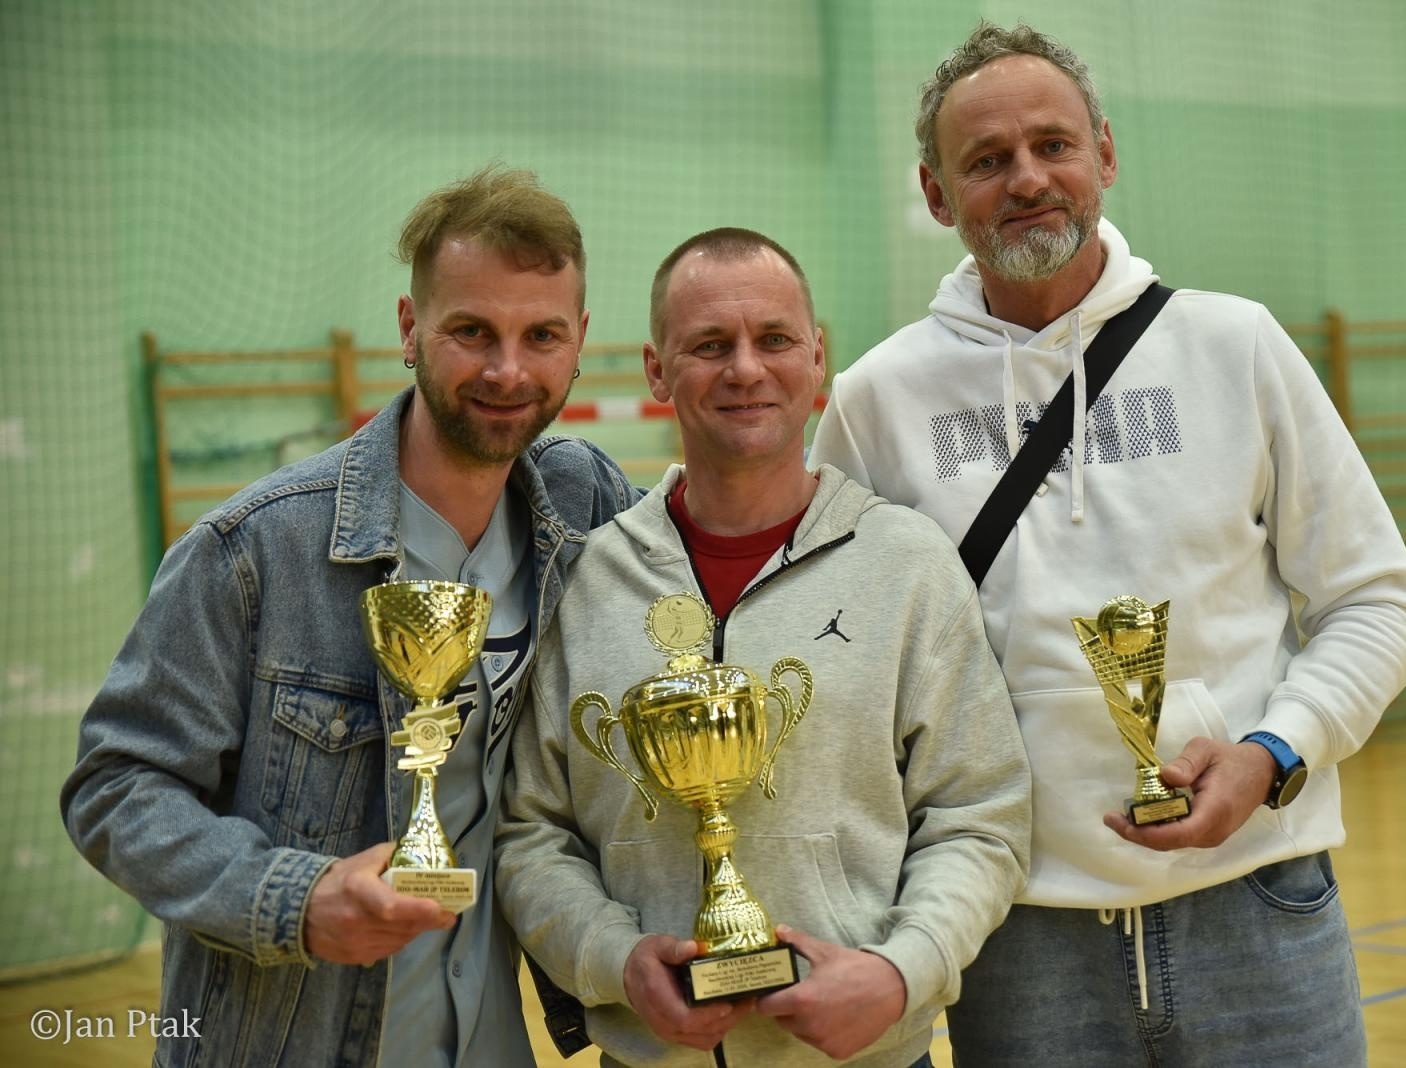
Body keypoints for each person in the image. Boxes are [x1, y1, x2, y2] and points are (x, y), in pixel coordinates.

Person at [808, 22, 1406, 1066]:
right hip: (1015, 931)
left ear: (1104, 153)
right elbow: (851, 663)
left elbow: (1380, 602)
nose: (1026, 179)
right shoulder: (874, 402)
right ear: (933, 194)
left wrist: (1271, 753)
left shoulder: (1235, 346)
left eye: (1052, 145)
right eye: (986, 160)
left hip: (1261, 903)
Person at [61, 165, 638, 1067]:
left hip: (498, 1044)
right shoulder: (254, 549)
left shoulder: (588, 505)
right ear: (410, 329)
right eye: (471, 331)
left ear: (580, 342)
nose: (507, 369)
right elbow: (113, 787)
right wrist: (294, 896)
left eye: (542, 335)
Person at [495, 228, 1031, 1067]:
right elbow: (532, 831)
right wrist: (614, 961)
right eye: (710, 345)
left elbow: (979, 816)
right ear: (655, 369)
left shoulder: (907, 563)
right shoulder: (589, 580)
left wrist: (899, 972)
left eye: (774, 339)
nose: (745, 369)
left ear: (817, 357)